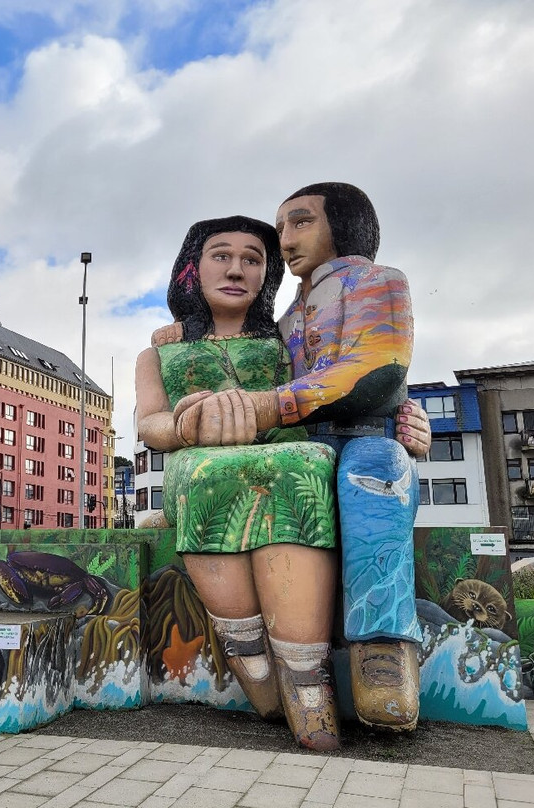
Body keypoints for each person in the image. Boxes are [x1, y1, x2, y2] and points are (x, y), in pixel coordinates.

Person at [162, 184, 425, 732]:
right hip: (299, 441)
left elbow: (376, 367)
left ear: (344, 224)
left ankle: (383, 649)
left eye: (300, 222)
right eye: (281, 227)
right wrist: (185, 334)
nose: (286, 239)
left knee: (370, 480)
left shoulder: (377, 282)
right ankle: (286, 662)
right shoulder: (287, 320)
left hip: (363, 432)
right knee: (280, 483)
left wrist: (270, 406)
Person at [137, 215, 344, 750]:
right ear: (193, 269)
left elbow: (338, 387)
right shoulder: (159, 352)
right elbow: (149, 424)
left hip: (282, 454)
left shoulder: (288, 343)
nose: (236, 269)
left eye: (252, 258)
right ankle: (250, 657)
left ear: (267, 272)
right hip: (197, 462)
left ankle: (305, 674)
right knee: (210, 473)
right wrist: (185, 422)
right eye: (221, 255)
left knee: (300, 465)